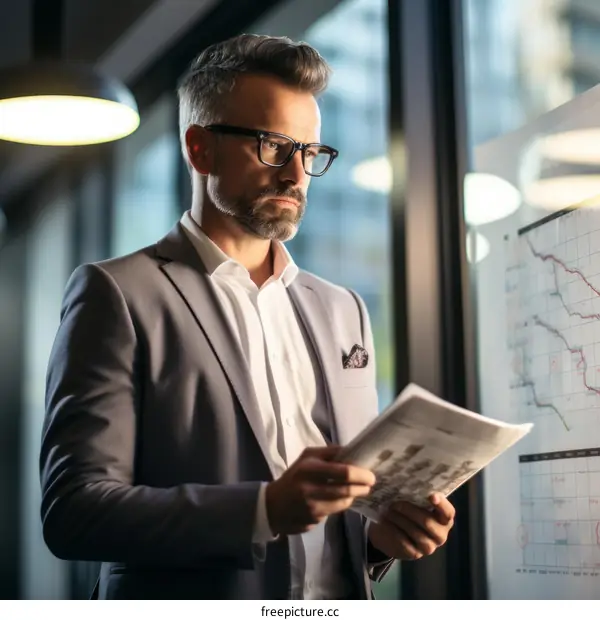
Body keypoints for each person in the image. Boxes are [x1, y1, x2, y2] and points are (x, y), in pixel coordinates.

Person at [40, 33, 455, 600]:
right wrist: (263, 510)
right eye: (272, 146)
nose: (295, 175)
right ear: (199, 149)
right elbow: (74, 512)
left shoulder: (343, 309)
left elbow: (343, 515)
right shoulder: (115, 292)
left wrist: (380, 537)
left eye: (309, 153)